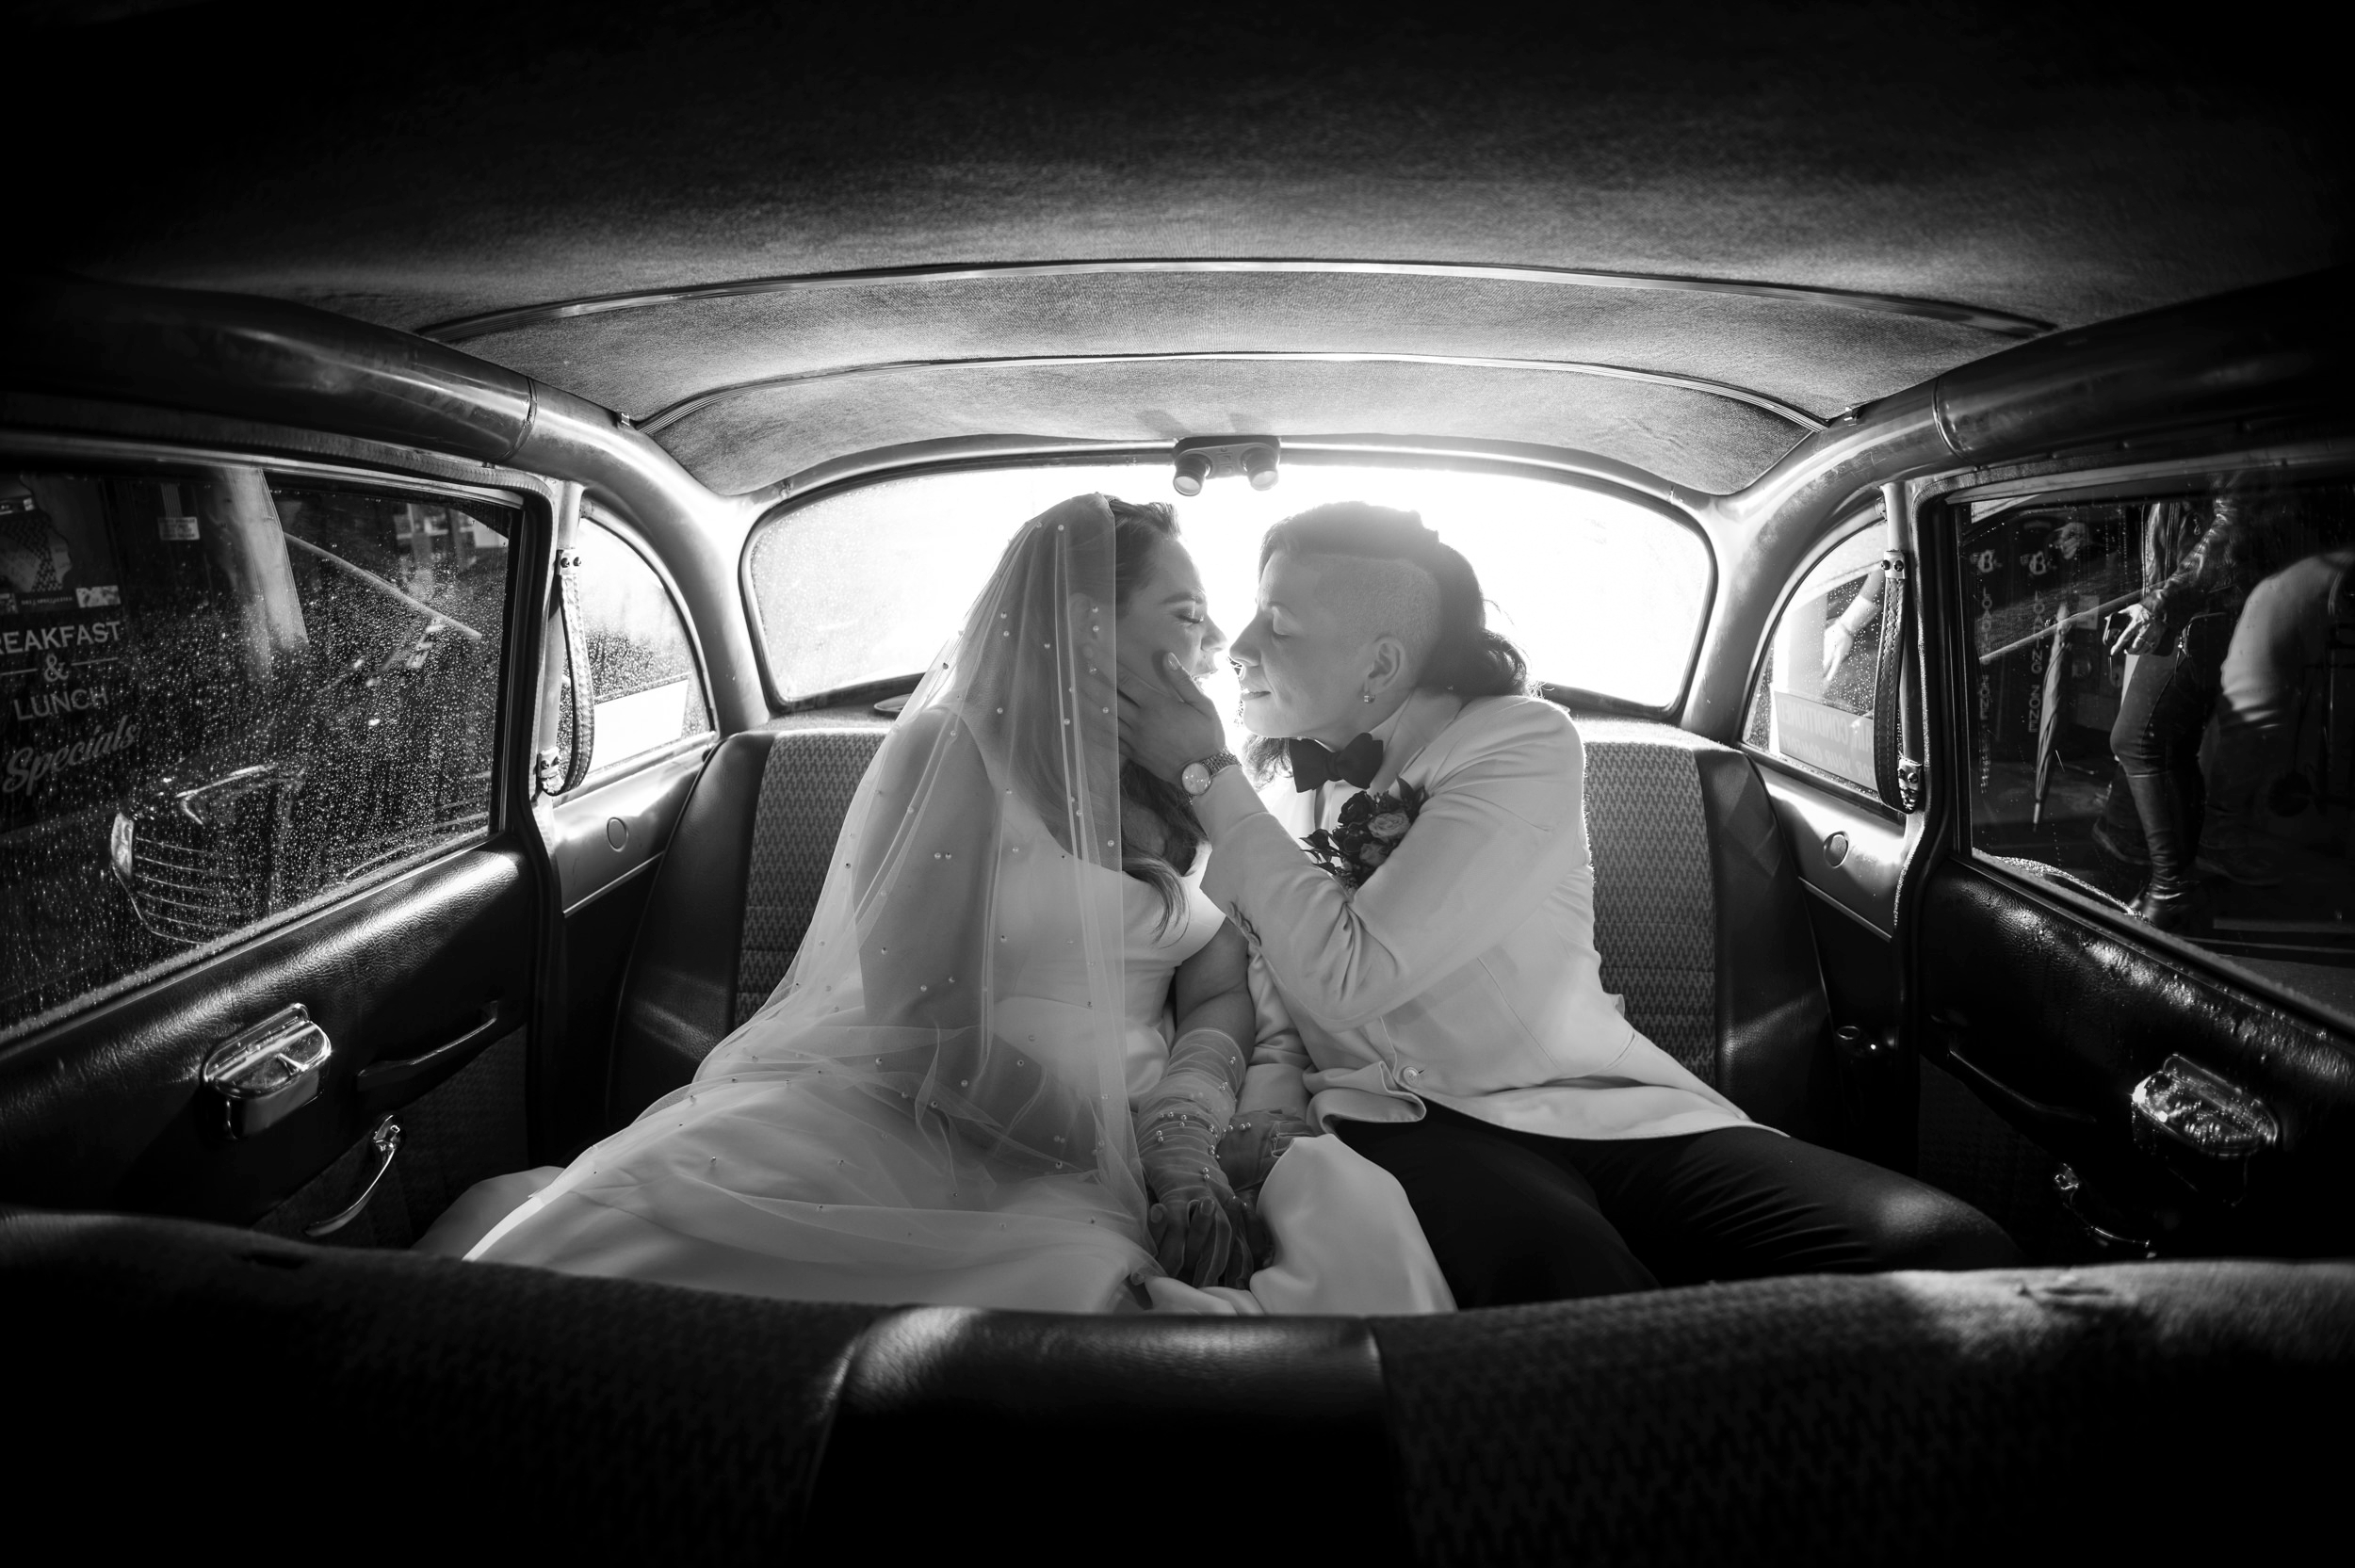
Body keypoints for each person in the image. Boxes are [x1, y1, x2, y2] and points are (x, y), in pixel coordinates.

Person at [436, 494, 1449, 1317]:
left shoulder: (1172, 781)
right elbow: (930, 1026)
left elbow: (1217, 972)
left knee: (1352, 1231)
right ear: (1084, 625)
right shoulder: (955, 753)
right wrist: (1136, 1165)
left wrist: (1182, 1127)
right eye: (1186, 613)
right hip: (952, 1124)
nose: (1219, 637)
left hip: (1140, 1136)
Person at [1119, 501, 2019, 1306]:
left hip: (1589, 1103)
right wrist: (1255, 1133)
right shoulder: (1273, 806)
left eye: (1276, 625)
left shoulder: (1517, 742)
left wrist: (1206, 773)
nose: (1235, 647)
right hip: (1400, 1123)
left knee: (1945, 1253)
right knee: (1572, 1289)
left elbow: (1355, 972)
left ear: (1382, 662)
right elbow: (1280, 1011)